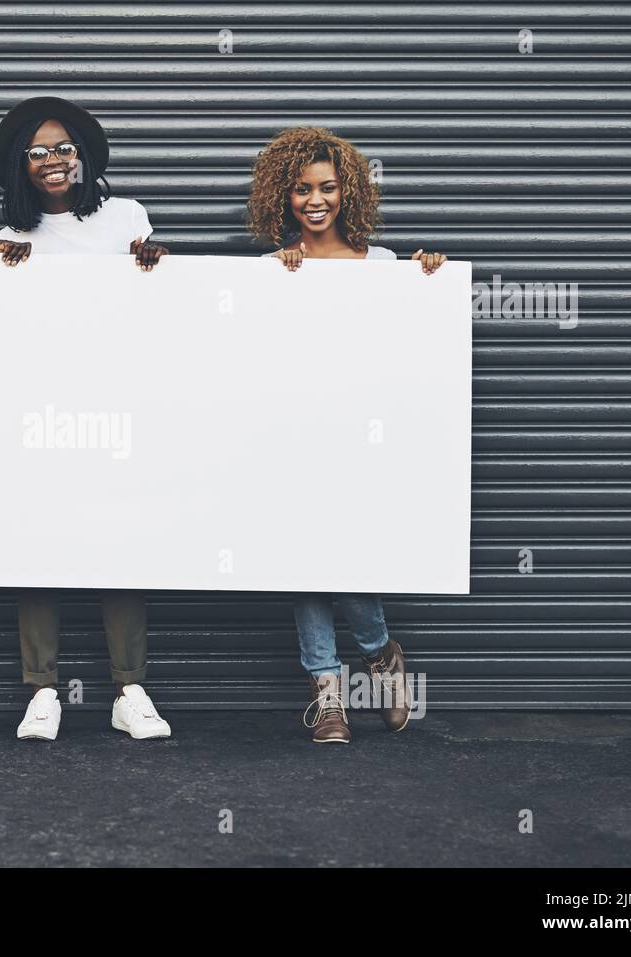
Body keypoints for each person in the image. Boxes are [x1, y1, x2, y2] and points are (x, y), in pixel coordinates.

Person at [245, 125, 447, 744]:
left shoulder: (383, 267)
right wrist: (276, 283)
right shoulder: (272, 268)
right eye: (302, 189)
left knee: (349, 556)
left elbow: (409, 344)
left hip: (362, 440)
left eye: (327, 187)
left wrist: (426, 282)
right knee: (304, 564)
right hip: (294, 438)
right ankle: (328, 696)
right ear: (284, 197)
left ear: (347, 192)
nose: (315, 200)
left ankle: (381, 653)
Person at [0, 96, 171, 741]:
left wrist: (155, 270)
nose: (53, 161)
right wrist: (4, 282)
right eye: (37, 153)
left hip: (117, 406)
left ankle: (130, 689)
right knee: (41, 544)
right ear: (21, 166)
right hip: (41, 412)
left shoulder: (126, 218)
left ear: (84, 156)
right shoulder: (10, 239)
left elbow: (151, 313)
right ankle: (42, 691)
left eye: (63, 148)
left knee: (118, 540)